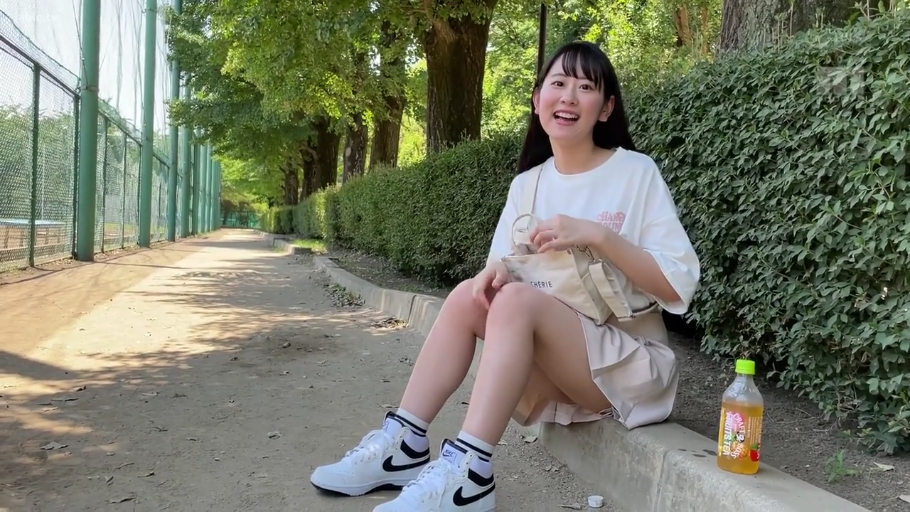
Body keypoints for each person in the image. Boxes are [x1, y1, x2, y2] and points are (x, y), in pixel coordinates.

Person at [309, 40, 700, 512]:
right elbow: (498, 281)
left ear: (606, 108)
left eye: (585, 87)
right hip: (562, 369)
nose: (568, 97)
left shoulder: (635, 173)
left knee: (513, 302)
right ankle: (405, 443)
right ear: (537, 100)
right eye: (558, 83)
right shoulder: (527, 185)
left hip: (630, 366)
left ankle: (471, 471)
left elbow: (677, 286)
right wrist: (498, 269)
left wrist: (597, 236)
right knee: (468, 296)